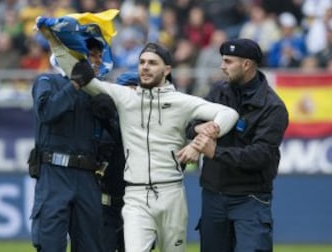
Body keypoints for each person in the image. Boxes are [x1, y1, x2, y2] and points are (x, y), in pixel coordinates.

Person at [38, 23, 239, 252]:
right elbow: (82, 76)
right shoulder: (126, 97)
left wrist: (201, 140)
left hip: (171, 193)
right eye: (142, 62)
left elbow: (228, 113)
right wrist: (53, 40)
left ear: (166, 70)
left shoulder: (182, 102)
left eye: (152, 63)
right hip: (135, 196)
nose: (145, 67)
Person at [186, 38, 289, 252]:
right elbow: (189, 123)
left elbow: (261, 155)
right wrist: (198, 129)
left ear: (247, 64)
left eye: (228, 61)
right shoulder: (218, 92)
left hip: (250, 198)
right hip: (213, 195)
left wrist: (216, 152)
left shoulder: (273, 107)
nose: (222, 66)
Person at [30, 37, 107, 252]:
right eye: (92, 55)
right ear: (77, 56)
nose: (98, 60)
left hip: (88, 176)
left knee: (91, 246)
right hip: (54, 173)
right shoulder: (47, 81)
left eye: (100, 56)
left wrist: (110, 114)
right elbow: (46, 112)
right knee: (50, 244)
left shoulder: (98, 92)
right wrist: (74, 84)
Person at [93, 71, 139, 252]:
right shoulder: (104, 121)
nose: (132, 94)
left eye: (136, 89)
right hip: (106, 205)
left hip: (137, 207)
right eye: (128, 89)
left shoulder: (150, 125)